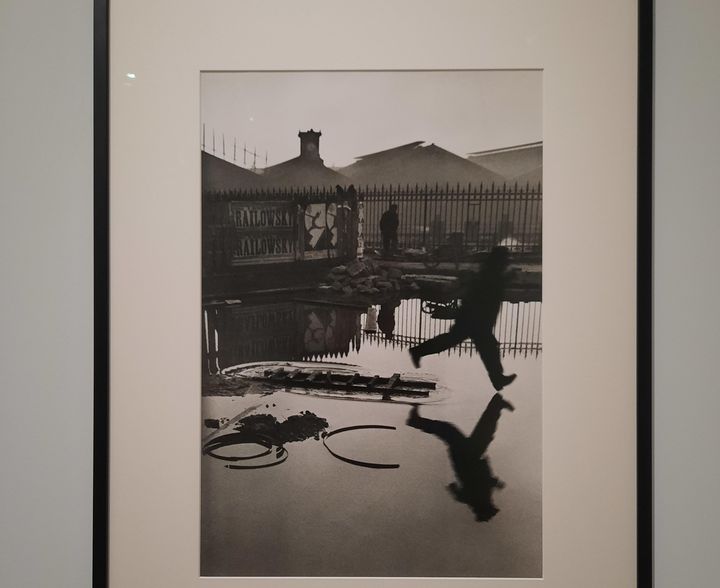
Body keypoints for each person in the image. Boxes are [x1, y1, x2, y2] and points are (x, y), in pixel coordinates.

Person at [408, 246, 517, 391]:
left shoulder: (490, 272)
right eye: (505, 260)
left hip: (475, 319)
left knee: (480, 346)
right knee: (484, 347)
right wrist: (507, 278)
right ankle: (497, 378)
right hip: (474, 319)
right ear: (500, 261)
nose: (506, 263)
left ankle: (497, 378)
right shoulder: (490, 274)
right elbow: (489, 290)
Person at [406, 394, 514, 521]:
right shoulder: (477, 498)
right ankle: (497, 404)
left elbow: (473, 486)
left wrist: (495, 483)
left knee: (456, 431)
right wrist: (494, 483)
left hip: (467, 458)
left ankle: (415, 421)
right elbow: (464, 488)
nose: (493, 504)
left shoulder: (477, 498)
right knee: (482, 431)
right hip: (471, 456)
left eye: (491, 507)